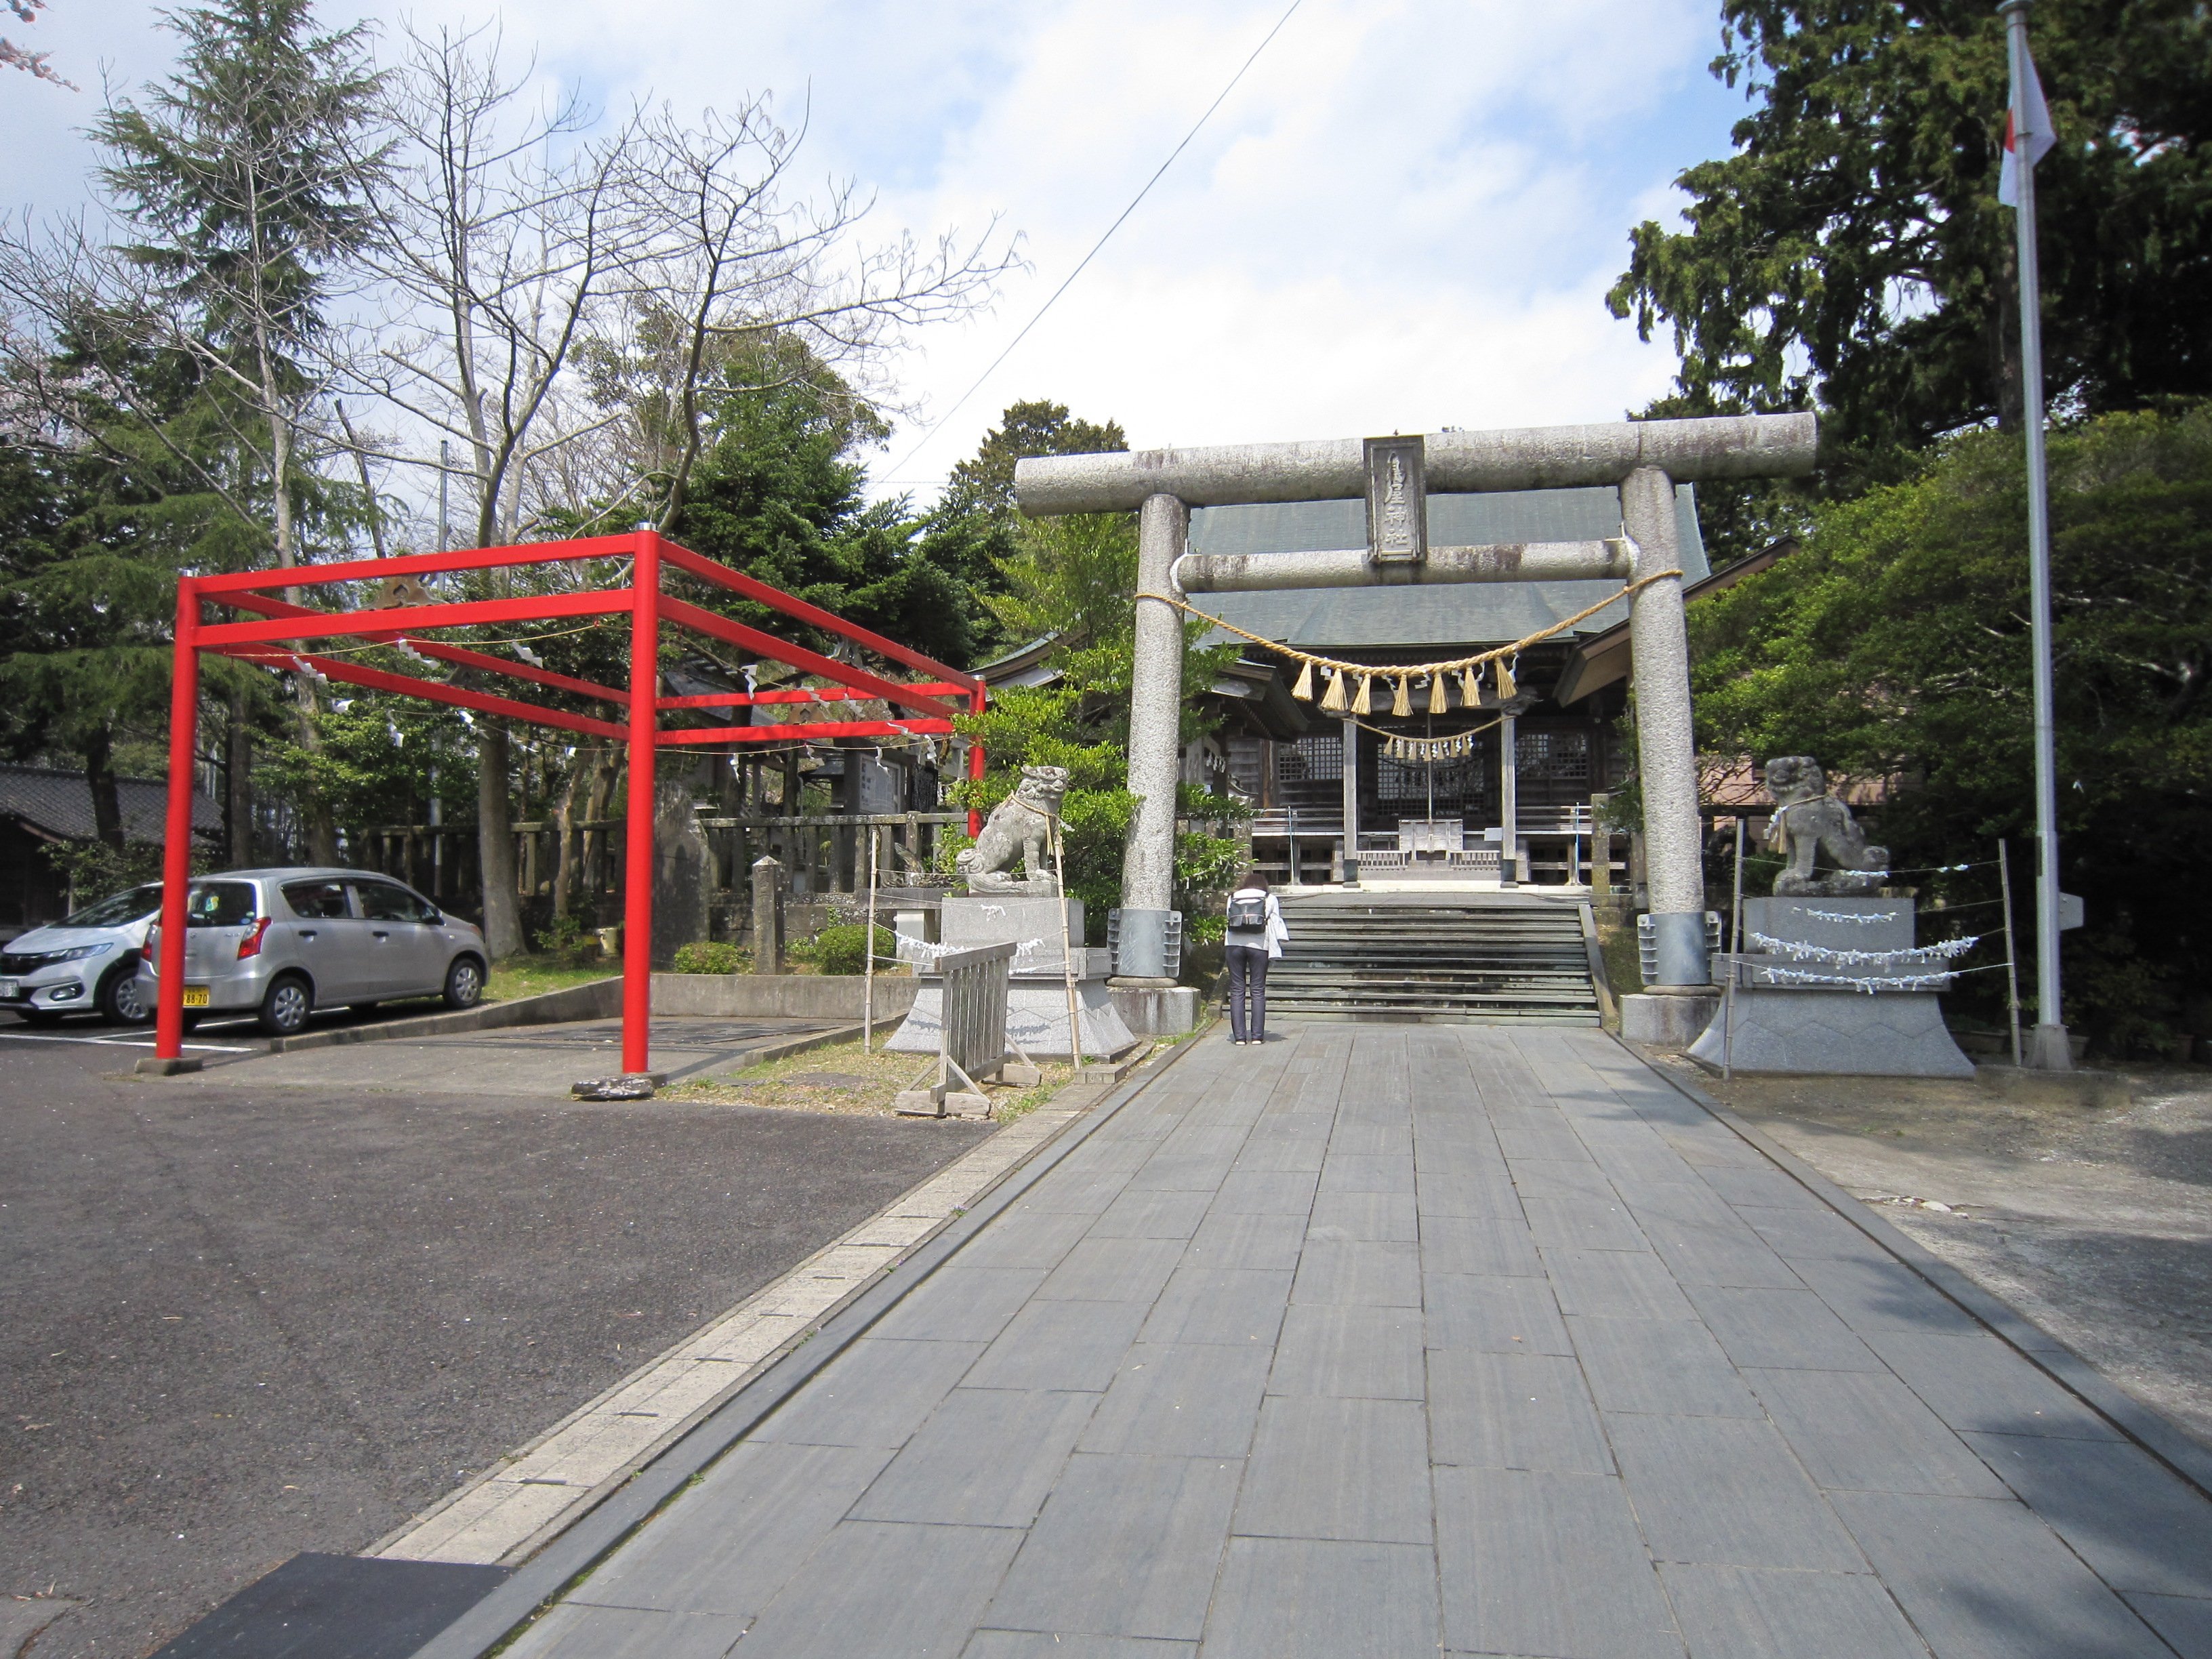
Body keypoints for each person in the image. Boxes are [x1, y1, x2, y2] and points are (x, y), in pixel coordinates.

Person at [1223, 869, 1288, 1046]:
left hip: (1234, 944)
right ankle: (1258, 1036)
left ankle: (1240, 1038)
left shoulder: (1233, 896)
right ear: (1263, 884)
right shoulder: (1269, 898)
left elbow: (1229, 917)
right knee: (1258, 990)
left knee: (1237, 989)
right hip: (1260, 944)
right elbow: (1276, 921)